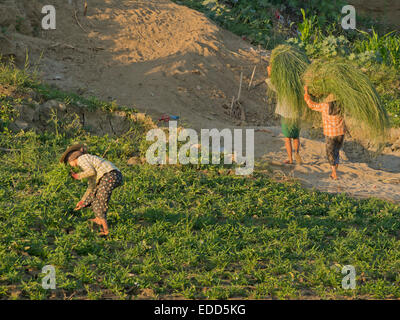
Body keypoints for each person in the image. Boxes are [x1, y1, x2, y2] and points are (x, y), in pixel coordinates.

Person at [60, 144, 123, 236]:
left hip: (110, 175)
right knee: (94, 198)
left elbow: (91, 172)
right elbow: (91, 186)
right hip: (111, 176)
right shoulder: (87, 163)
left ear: (72, 159)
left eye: (69, 163)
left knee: (101, 199)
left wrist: (77, 176)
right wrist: (82, 201)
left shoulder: (82, 159)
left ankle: (105, 230)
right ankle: (99, 220)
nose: (71, 167)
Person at [303, 86, 345, 180]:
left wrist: (306, 92)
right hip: (341, 132)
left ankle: (334, 173)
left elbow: (311, 105)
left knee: (330, 152)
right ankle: (334, 171)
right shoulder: (342, 106)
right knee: (336, 151)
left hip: (330, 133)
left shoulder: (325, 105)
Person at [266, 65, 302, 165]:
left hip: (286, 114)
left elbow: (272, 84)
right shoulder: (298, 87)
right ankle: (297, 153)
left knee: (287, 138)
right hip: (296, 114)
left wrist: (270, 73)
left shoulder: (283, 88)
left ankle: (290, 159)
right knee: (296, 137)